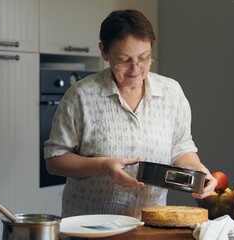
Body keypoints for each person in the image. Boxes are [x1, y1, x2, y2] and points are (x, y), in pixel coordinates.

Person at [44, 9, 217, 219]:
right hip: (91, 226)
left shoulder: (171, 92)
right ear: (104, 52)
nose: (136, 68)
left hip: (149, 224)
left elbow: (180, 148)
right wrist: (104, 166)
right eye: (124, 60)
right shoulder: (81, 96)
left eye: (144, 58)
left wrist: (198, 172)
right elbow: (55, 159)